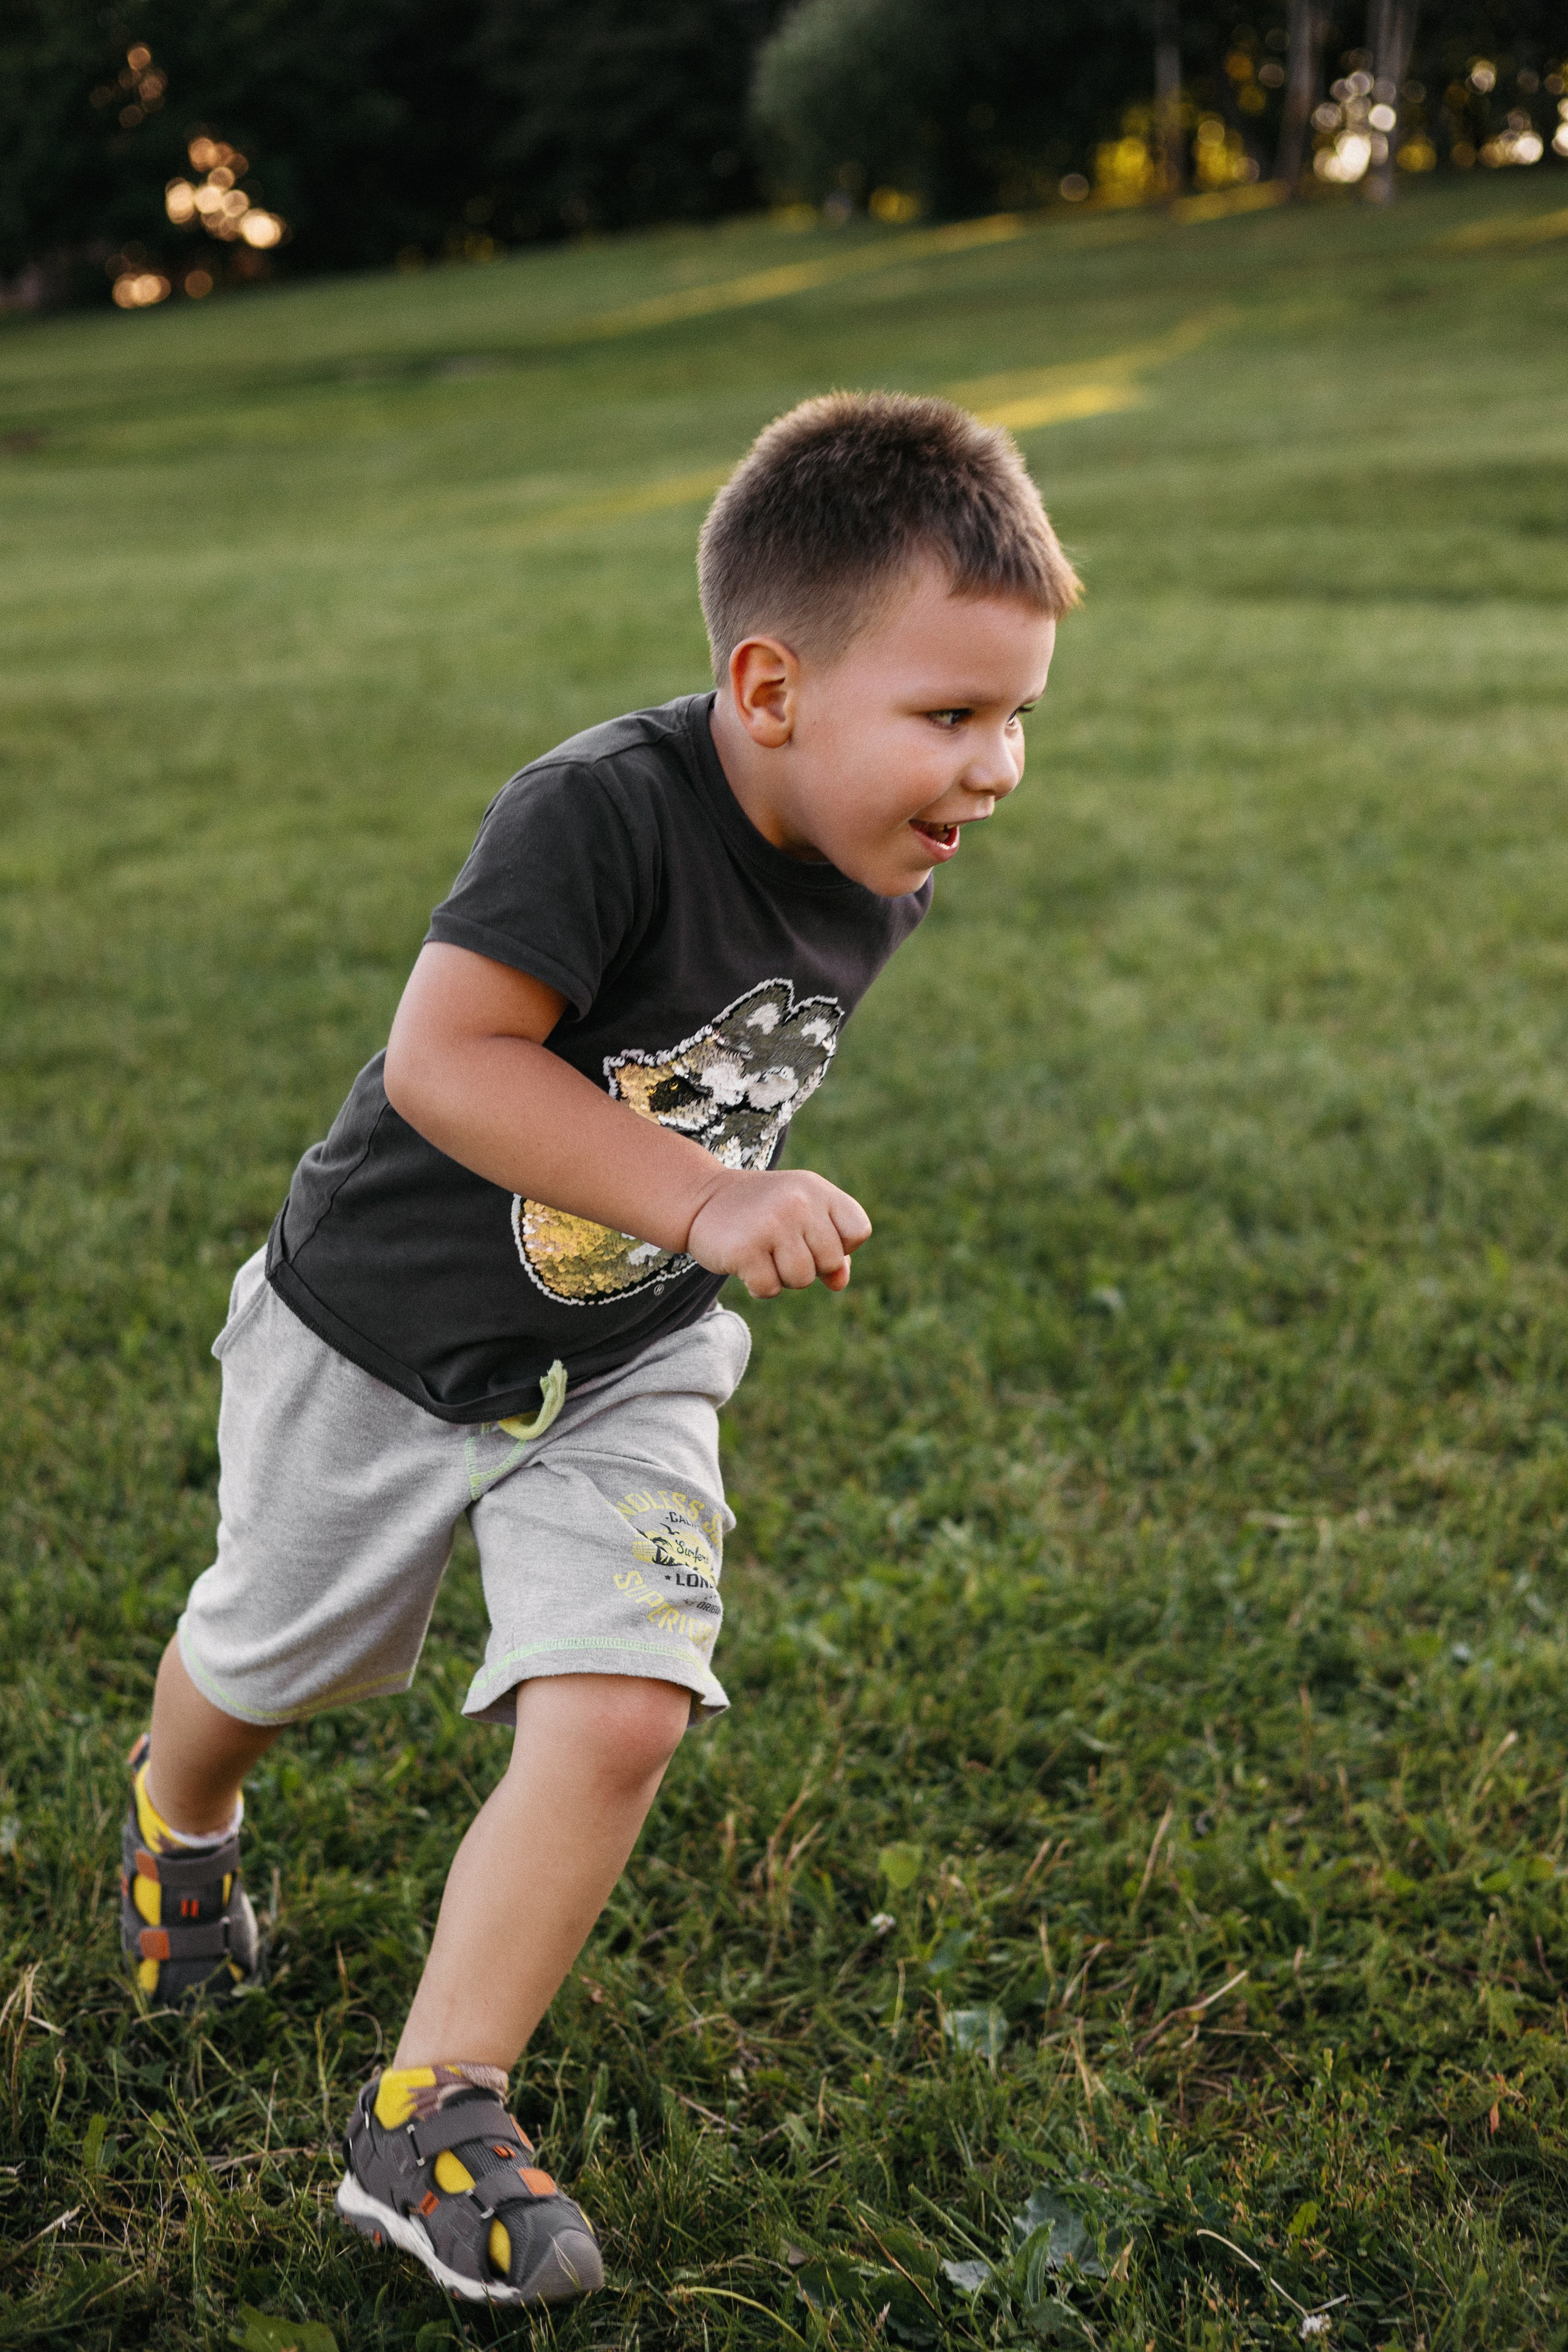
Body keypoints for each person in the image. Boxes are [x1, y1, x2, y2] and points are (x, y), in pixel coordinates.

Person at [117, 390, 1079, 2305]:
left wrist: (685, 1237)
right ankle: (182, 1815)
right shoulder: (600, 811)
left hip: (628, 1352)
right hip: (381, 1337)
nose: (998, 768)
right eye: (952, 714)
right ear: (770, 685)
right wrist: (707, 1197)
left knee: (629, 1701)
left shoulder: (885, 849)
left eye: (1020, 714)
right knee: (267, 1658)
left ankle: (434, 2108)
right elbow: (446, 1060)